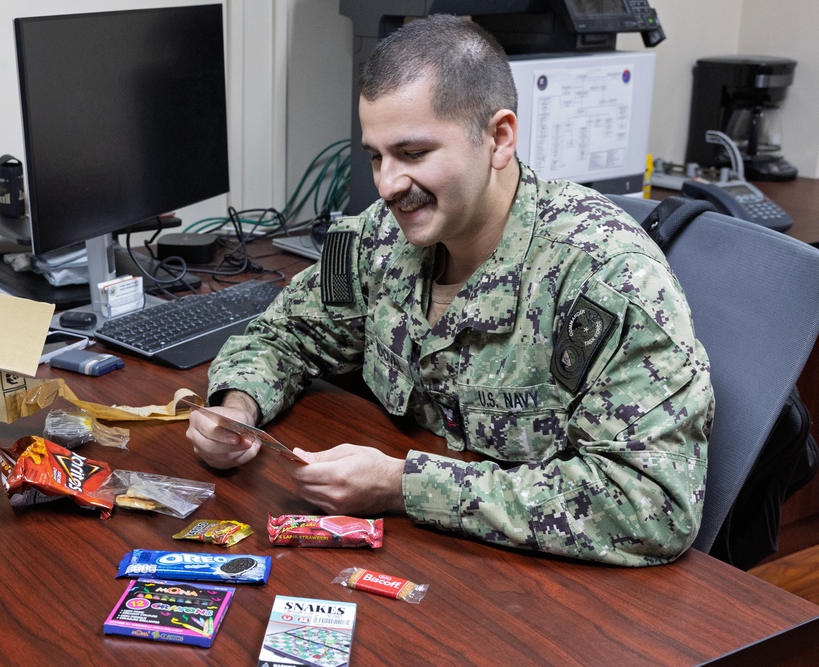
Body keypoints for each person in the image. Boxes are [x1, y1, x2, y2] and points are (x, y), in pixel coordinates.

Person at [186, 14, 714, 567]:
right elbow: (285, 334)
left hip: (555, 598)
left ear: (499, 138)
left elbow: (650, 505)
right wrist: (237, 408)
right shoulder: (380, 237)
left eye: (413, 154)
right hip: (429, 562)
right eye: (376, 155)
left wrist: (402, 485)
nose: (387, 185)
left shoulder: (607, 279)